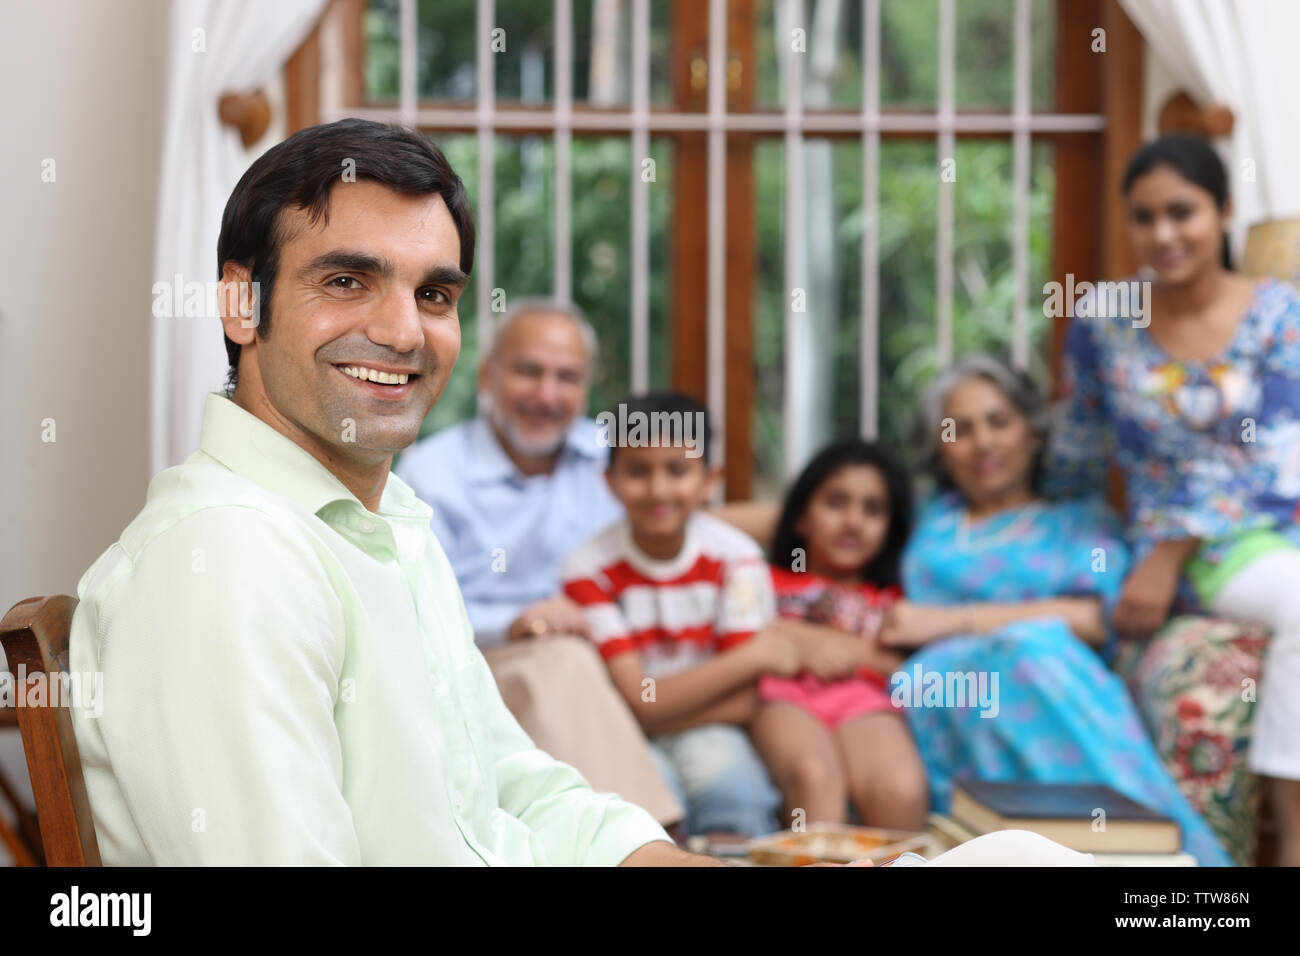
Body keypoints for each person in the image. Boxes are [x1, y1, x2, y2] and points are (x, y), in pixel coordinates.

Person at [65, 119, 701, 865]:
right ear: (243, 305)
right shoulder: (224, 555)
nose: (404, 333)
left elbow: (514, 793)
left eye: (433, 293)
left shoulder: (392, 525)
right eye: (346, 281)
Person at [1044, 133, 1300, 866]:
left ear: (1223, 211)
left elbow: (1280, 462)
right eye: (1144, 216)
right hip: (1150, 553)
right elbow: (1077, 455)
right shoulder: (1104, 320)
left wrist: (1174, 551)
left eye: (1181, 212)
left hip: (1253, 538)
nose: (1164, 234)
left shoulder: (1278, 315)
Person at [888, 354, 1232, 866]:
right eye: (960, 429)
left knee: (1028, 651)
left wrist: (952, 623)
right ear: (940, 448)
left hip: (1043, 680)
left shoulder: (1077, 521)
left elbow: (1096, 619)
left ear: (1032, 430)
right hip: (944, 701)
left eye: (999, 421)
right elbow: (809, 512)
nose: (984, 442)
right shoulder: (926, 522)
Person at [395, 299, 682, 825]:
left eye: (567, 378)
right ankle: (660, 845)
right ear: (488, 374)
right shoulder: (432, 473)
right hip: (492, 664)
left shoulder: (615, 459)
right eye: (529, 371)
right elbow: (413, 608)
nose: (547, 396)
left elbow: (687, 533)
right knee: (562, 660)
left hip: (617, 665)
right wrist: (517, 623)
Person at [561, 393, 788, 837]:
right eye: (639, 472)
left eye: (678, 470)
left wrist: (653, 708)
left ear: (710, 480)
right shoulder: (587, 568)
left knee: (736, 793)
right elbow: (638, 704)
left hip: (715, 728)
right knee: (639, 814)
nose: (659, 489)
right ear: (609, 481)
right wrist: (753, 658)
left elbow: (745, 701)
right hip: (626, 733)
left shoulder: (737, 559)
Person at [753, 439, 928, 830]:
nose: (853, 522)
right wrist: (799, 639)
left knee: (901, 789)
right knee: (814, 776)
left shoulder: (894, 600)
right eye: (836, 503)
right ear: (800, 517)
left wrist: (833, 646)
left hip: (861, 699)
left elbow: (900, 666)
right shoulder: (761, 581)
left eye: (872, 510)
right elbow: (702, 524)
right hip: (780, 696)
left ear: (890, 527)